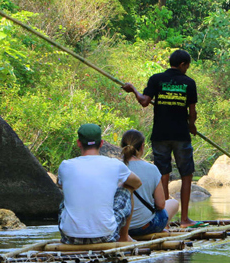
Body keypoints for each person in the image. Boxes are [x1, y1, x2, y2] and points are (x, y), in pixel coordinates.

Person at [122, 49, 203, 228]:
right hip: (181, 135)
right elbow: (192, 112)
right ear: (182, 65)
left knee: (163, 175)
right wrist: (191, 126)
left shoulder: (156, 79)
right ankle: (184, 219)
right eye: (187, 66)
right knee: (187, 175)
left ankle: (165, 220)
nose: (187, 70)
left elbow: (144, 101)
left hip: (160, 135)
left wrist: (133, 89)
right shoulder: (189, 83)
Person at [57, 123, 142, 244]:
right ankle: (124, 237)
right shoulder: (114, 164)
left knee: (65, 199)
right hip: (105, 236)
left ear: (79, 143)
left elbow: (60, 184)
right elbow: (137, 183)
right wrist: (115, 186)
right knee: (127, 188)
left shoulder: (65, 165)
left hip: (70, 238)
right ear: (101, 143)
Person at [120, 129, 179, 236]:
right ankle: (162, 228)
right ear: (142, 146)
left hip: (119, 228)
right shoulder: (152, 169)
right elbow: (161, 205)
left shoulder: (114, 167)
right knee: (174, 203)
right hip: (144, 227)